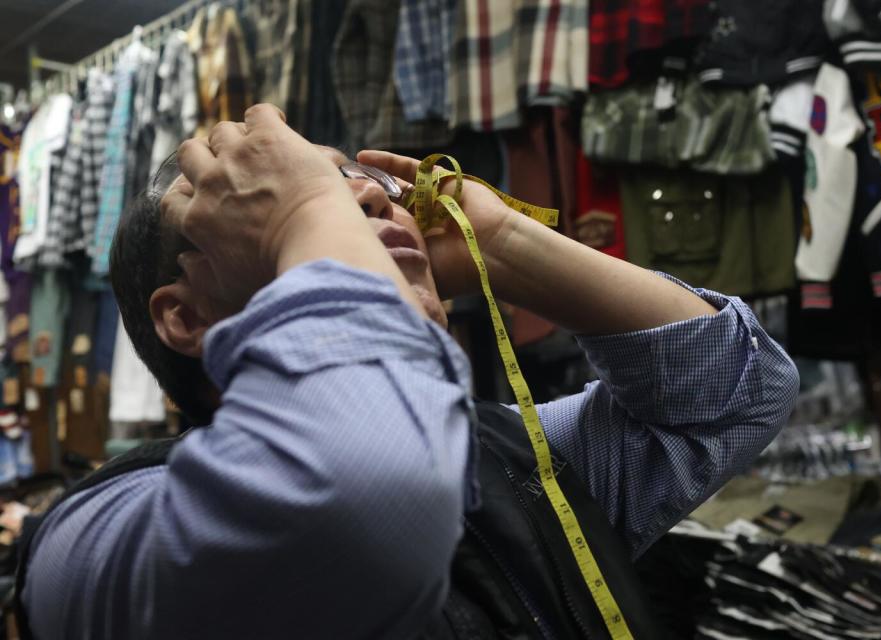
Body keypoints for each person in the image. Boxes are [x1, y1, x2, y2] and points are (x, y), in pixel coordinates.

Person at [17, 105, 799, 639]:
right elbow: (366, 485)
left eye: (362, 190)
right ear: (183, 317)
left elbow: (733, 389)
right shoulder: (98, 538)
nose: (361, 196)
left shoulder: (502, 461)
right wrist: (303, 219)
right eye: (300, 200)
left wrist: (502, 247)